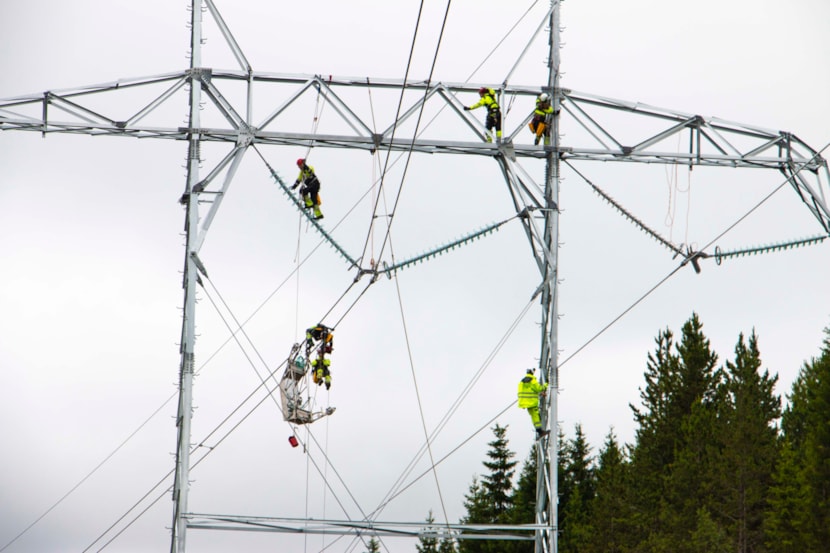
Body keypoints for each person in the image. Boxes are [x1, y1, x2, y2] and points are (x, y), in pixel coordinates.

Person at [517, 368, 549, 438]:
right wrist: (546, 384)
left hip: (526, 403)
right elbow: (539, 388)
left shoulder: (522, 382)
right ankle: (540, 431)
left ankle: (539, 431)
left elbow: (527, 392)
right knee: (536, 417)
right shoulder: (532, 381)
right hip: (532, 402)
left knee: (534, 417)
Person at [306, 324, 333, 389]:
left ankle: (326, 382)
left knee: (323, 373)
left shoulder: (324, 333)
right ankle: (324, 381)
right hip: (321, 369)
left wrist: (329, 345)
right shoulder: (314, 331)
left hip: (321, 369)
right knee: (323, 373)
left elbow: (330, 340)